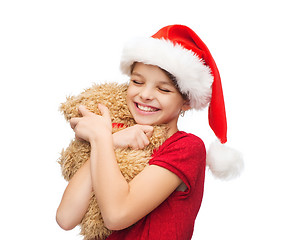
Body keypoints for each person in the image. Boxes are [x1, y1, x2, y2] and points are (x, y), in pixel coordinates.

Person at [56, 24, 243, 239]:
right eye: (137, 81)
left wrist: (100, 137)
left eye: (163, 89)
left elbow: (117, 214)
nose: (145, 94)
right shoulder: (119, 139)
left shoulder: (186, 147)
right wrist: (112, 141)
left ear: (186, 102)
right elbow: (65, 218)